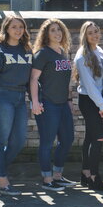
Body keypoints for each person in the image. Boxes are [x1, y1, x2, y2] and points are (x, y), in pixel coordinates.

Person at [0, 15, 32, 196]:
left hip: (19, 98)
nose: (18, 30)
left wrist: (35, 99)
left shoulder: (26, 50)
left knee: (18, 141)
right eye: (14, 27)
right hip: (2, 97)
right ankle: (3, 180)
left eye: (21, 27)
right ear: (6, 29)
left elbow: (30, 80)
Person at [30, 18, 76, 192]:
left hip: (63, 104)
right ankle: (47, 178)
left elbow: (66, 81)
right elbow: (33, 79)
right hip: (47, 104)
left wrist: (70, 100)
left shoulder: (63, 52)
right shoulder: (43, 53)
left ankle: (57, 175)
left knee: (67, 139)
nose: (57, 33)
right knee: (47, 142)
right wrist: (35, 102)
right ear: (46, 34)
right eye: (53, 30)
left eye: (59, 30)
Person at [74, 21, 103, 191]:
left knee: (90, 138)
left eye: (96, 31)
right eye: (90, 33)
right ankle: (95, 177)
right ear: (84, 35)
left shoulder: (99, 51)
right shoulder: (82, 56)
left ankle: (85, 174)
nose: (94, 35)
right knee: (99, 138)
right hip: (89, 100)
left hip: (96, 99)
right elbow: (89, 85)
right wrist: (102, 105)